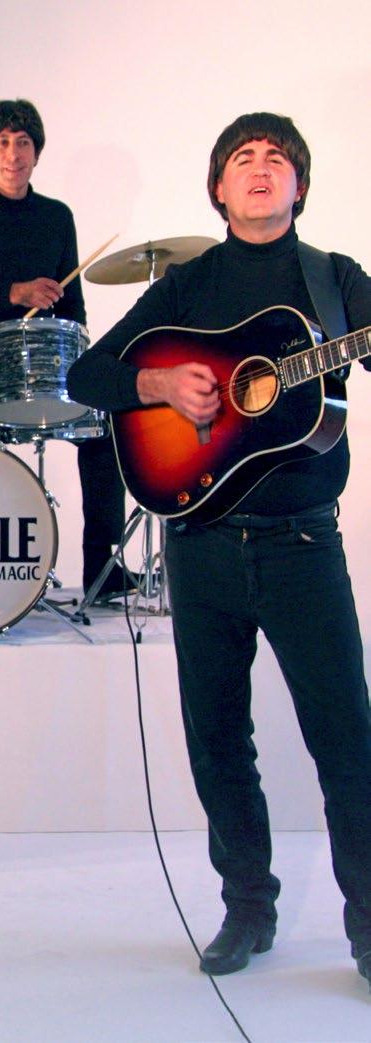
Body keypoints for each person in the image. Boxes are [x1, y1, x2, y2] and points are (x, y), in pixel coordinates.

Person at [67, 113, 371, 988]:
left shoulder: (336, 280)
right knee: (218, 738)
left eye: (278, 158)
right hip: (199, 543)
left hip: (303, 543)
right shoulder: (189, 284)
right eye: (244, 157)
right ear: (219, 187)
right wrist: (158, 381)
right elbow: (88, 373)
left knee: (346, 742)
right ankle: (247, 908)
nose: (261, 167)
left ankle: (369, 929)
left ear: (300, 186)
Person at [0, 99, 127, 598]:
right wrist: (15, 293)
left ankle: (103, 573)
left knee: (106, 429)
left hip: (44, 363)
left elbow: (74, 306)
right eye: (2, 143)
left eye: (23, 143)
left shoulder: (57, 217)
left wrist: (81, 358)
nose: (13, 154)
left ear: (36, 153)